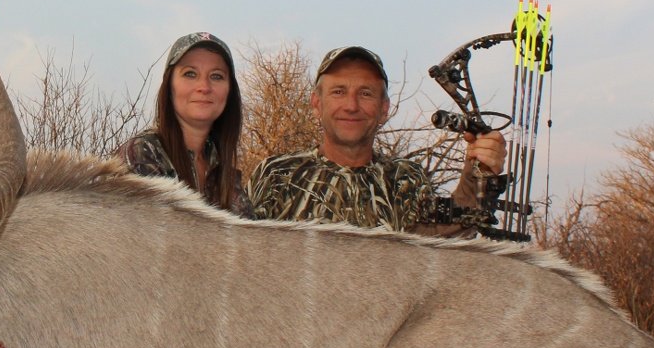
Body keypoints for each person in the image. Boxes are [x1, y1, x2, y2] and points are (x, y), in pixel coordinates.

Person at [246, 45, 506, 234]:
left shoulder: (406, 179)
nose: (351, 105)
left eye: (366, 93)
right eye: (338, 92)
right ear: (316, 104)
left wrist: (477, 172)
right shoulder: (276, 174)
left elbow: (444, 240)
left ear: (384, 109)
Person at [116, 32, 249, 215]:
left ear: (229, 92)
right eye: (190, 74)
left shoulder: (225, 172)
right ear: (169, 87)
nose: (204, 87)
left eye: (217, 76)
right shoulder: (140, 154)